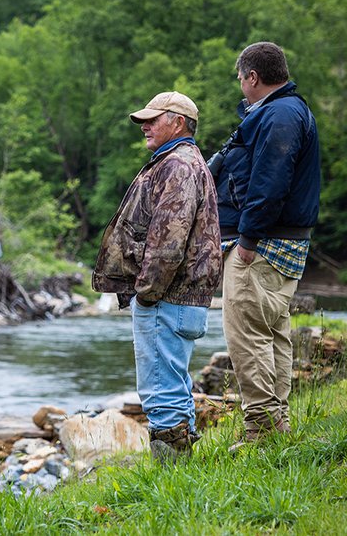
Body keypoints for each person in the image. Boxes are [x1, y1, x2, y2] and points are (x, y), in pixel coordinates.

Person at [93, 91, 223, 462]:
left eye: (153, 118)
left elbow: (169, 240)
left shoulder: (177, 166)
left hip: (166, 297)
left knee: (159, 391)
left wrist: (146, 293)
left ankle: (170, 478)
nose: (145, 126)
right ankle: (183, 471)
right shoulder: (180, 161)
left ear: (178, 122)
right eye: (143, 120)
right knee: (174, 384)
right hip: (179, 297)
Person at [216, 41, 320, 451]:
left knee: (247, 338)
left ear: (252, 77)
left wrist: (247, 238)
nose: (241, 87)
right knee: (273, 335)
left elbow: (271, 179)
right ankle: (278, 427)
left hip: (262, 245)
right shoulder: (288, 111)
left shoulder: (279, 115)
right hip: (280, 243)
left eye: (241, 79)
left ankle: (260, 433)